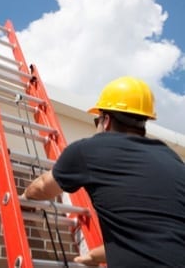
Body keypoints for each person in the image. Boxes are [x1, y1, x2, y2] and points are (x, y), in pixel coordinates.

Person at [22, 76, 185, 267]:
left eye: (96, 120)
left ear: (106, 120)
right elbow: (155, 239)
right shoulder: (172, 158)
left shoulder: (90, 149)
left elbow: (43, 187)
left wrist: (25, 197)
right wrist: (92, 257)